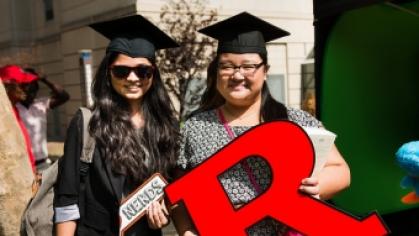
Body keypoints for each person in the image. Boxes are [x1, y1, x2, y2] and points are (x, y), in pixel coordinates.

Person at [172, 12, 351, 236]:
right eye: (227, 66)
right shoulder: (196, 127)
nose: (237, 75)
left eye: (248, 66)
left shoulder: (295, 121)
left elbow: (341, 171)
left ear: (265, 71)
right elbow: (177, 192)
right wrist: (187, 231)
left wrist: (318, 186)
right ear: (216, 71)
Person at [53, 14, 180, 236]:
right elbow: (66, 200)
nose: (132, 78)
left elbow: (169, 189)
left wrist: (162, 212)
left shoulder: (165, 126)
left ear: (153, 74)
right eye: (122, 71)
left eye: (142, 70)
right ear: (108, 72)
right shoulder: (87, 122)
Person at [16, 68, 70, 171]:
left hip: (43, 163)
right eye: (28, 89)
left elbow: (64, 96)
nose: (31, 94)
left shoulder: (41, 104)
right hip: (24, 164)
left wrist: (44, 80)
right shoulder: (13, 108)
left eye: (34, 90)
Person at [0, 65, 37, 173]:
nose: (27, 88)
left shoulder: (14, 109)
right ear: (6, 86)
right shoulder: (3, 115)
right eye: (23, 84)